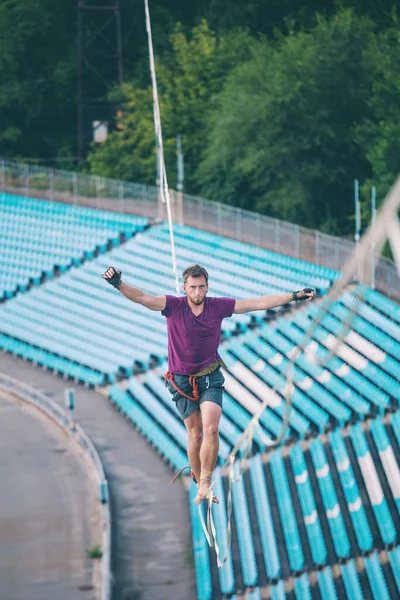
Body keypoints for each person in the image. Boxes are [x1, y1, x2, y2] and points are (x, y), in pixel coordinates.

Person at [102, 263, 314, 504]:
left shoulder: (217, 306)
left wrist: (293, 297)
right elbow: (142, 298)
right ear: (184, 288)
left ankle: (205, 482)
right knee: (195, 434)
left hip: (210, 375)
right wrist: (119, 284)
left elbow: (255, 303)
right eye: (192, 287)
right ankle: (197, 477)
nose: (197, 292)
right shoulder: (173, 305)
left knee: (211, 428)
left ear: (207, 287)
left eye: (201, 287)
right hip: (181, 380)